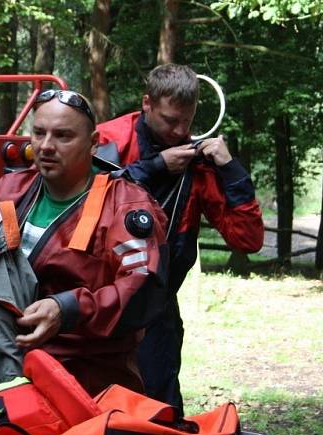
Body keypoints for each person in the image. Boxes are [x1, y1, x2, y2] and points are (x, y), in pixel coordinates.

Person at [0, 89, 169, 397]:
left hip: (88, 387)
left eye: (63, 136)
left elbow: (144, 289)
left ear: (94, 143)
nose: (46, 146)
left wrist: (66, 309)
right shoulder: (12, 190)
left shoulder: (124, 204)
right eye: (39, 133)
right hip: (4, 374)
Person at [96, 63, 264, 412]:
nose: (180, 131)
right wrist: (156, 166)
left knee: (159, 412)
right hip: (94, 301)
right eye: (171, 120)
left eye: (187, 122)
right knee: (92, 407)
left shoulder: (198, 165)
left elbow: (248, 238)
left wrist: (232, 169)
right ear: (147, 104)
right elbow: (83, 199)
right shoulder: (110, 138)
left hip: (156, 307)